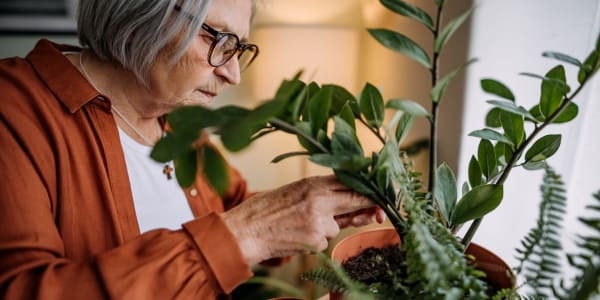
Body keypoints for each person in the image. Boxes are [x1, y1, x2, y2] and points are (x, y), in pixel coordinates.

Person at [0, 0, 384, 298]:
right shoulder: (14, 109)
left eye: (241, 48)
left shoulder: (180, 121)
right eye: (218, 38)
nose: (233, 74)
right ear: (144, 14)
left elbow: (232, 207)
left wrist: (321, 204)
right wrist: (247, 233)